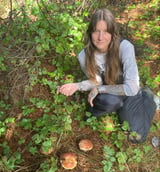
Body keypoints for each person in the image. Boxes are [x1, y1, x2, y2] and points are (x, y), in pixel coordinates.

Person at [58, 8, 158, 143]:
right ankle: (100, 112)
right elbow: (96, 80)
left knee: (136, 137)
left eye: (105, 31)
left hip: (128, 91)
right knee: (111, 102)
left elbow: (131, 88)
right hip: (111, 92)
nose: (100, 37)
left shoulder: (125, 47)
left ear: (112, 33)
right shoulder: (84, 55)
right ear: (90, 32)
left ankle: (147, 96)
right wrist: (77, 86)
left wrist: (100, 89)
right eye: (96, 31)